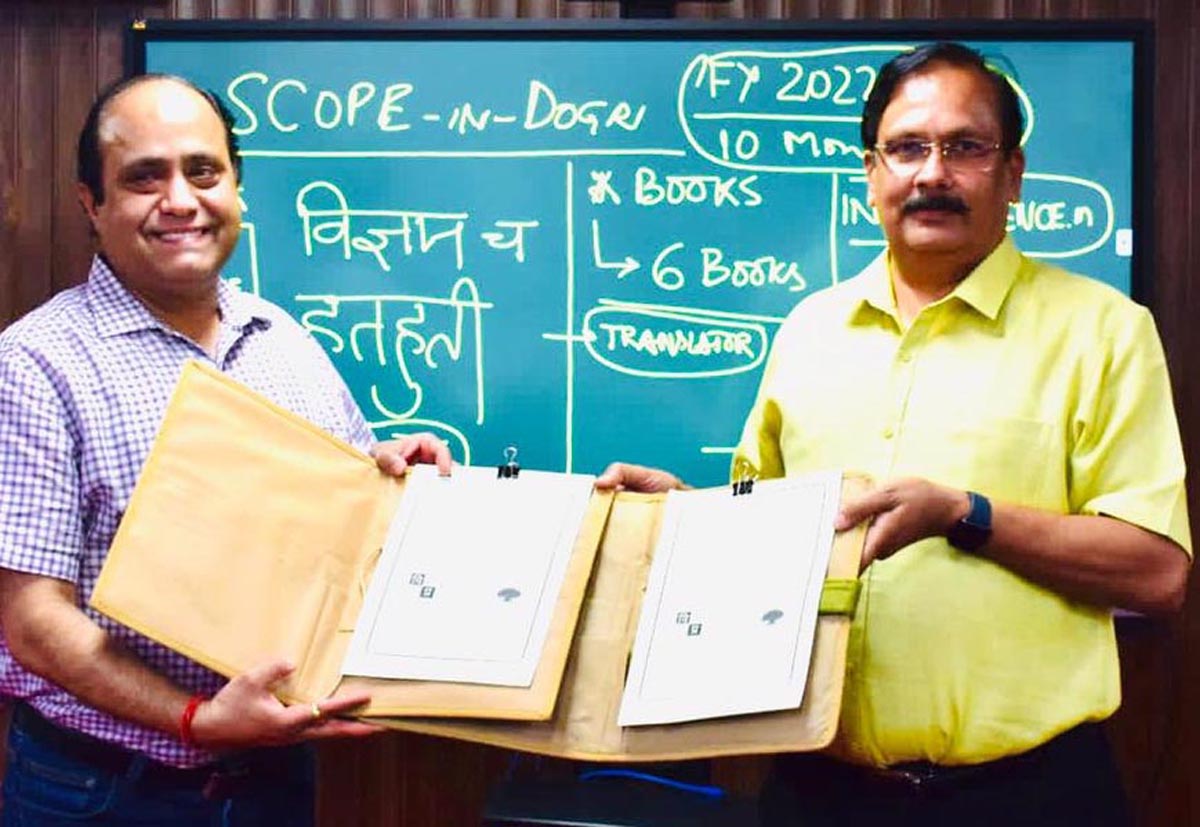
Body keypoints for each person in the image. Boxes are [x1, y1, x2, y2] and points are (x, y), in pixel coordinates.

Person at [598, 42, 1191, 826]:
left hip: (1032, 795)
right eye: (907, 148)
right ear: (872, 173)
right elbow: (770, 536)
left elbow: (1158, 573)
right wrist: (680, 514)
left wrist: (963, 514)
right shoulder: (811, 330)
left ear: (1012, 174)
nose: (932, 174)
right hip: (819, 790)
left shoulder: (1105, 331)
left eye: (965, 147)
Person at [0, 74, 451, 826]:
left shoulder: (282, 338)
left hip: (274, 777)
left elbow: (344, 530)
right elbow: (33, 619)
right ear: (92, 203)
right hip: (106, 792)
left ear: (235, 187)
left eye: (202, 171)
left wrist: (390, 479)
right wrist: (195, 716)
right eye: (145, 177)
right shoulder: (35, 363)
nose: (180, 199)